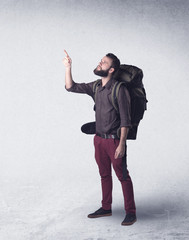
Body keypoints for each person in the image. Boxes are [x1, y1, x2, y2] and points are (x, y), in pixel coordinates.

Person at [62, 50, 137, 226]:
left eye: (104, 62)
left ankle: (131, 212)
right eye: (101, 61)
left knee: (123, 176)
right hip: (98, 140)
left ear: (111, 70)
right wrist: (68, 67)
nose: (100, 63)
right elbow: (70, 87)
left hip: (114, 141)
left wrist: (122, 145)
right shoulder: (96, 86)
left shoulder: (120, 89)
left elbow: (126, 120)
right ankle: (106, 207)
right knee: (104, 175)